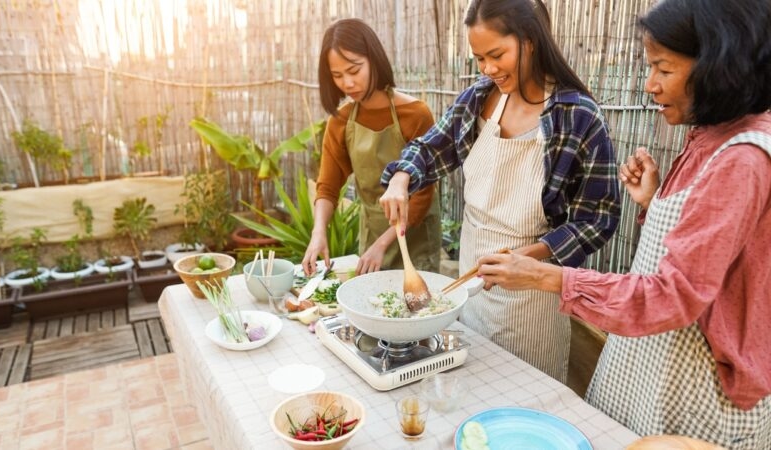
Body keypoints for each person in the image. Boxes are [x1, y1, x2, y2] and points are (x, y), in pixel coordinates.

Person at [473, 0, 771, 446]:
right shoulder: (710, 137)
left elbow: (673, 295)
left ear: (719, 64)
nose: (649, 85)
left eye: (664, 69)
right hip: (650, 359)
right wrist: (653, 202)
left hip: (689, 383)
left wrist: (549, 276)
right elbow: (714, 259)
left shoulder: (743, 160)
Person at [379, 0, 620, 383]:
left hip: (532, 291)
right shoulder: (479, 99)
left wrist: (528, 258)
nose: (489, 69)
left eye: (497, 55)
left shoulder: (578, 117)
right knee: (469, 384)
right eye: (479, 59)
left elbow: (598, 218)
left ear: (530, 41)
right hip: (471, 281)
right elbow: (427, 149)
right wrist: (401, 179)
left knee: (524, 397)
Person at [301, 18, 441, 278]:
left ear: (374, 60)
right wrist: (318, 231)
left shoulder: (416, 114)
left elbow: (422, 197)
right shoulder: (340, 121)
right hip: (373, 235)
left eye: (354, 71)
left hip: (415, 238)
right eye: (337, 75)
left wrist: (383, 244)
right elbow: (328, 187)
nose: (347, 83)